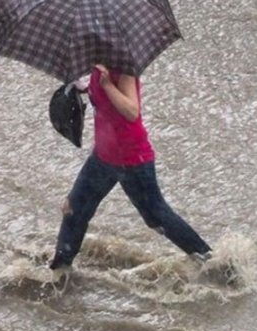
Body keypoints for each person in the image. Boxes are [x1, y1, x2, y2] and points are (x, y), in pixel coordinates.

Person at [49, 64, 212, 274]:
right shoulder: (99, 65)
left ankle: (209, 261)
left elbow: (131, 111)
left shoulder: (123, 66)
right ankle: (59, 271)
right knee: (73, 209)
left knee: (155, 216)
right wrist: (82, 87)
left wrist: (107, 85)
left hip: (132, 158)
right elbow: (99, 94)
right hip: (103, 156)